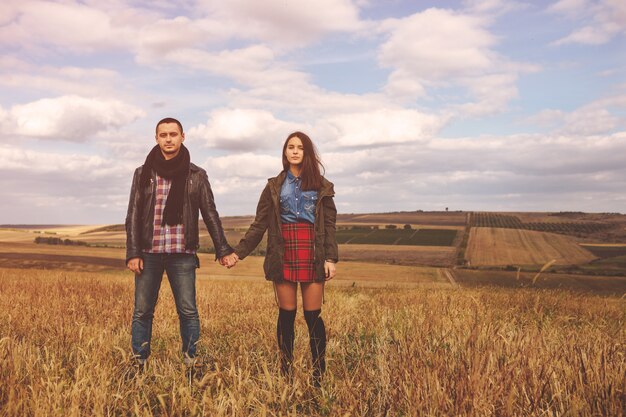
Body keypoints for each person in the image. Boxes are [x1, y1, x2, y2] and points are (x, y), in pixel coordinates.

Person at [223, 131, 338, 387]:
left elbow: (329, 225)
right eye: (290, 147)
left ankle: (319, 374)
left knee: (313, 316)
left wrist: (330, 257)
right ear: (285, 152)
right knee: (287, 314)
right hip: (283, 250)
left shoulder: (322, 185)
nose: (295, 151)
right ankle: (286, 371)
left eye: (300, 147)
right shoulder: (274, 186)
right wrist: (237, 253)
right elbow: (259, 224)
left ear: (307, 153)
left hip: (313, 250)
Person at [125, 117, 235, 370]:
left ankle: (191, 362)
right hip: (148, 253)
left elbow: (210, 213)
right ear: (156, 138)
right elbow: (133, 213)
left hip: (182, 254)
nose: (168, 139)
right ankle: (138, 363)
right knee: (142, 312)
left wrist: (223, 249)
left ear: (183, 137)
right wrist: (133, 252)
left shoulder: (196, 174)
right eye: (163, 135)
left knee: (188, 311)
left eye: (173, 134)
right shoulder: (143, 174)